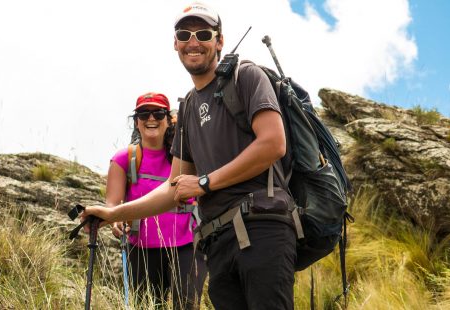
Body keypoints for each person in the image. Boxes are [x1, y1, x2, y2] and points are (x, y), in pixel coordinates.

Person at [82, 2, 297, 309]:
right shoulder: (188, 108)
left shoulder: (246, 77)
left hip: (262, 226)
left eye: (203, 33)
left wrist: (205, 182)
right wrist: (114, 213)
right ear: (175, 44)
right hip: (217, 240)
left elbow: (274, 143)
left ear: (219, 41)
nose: (193, 41)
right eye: (184, 34)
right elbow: (175, 186)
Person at [106, 92, 206, 309]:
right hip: (141, 247)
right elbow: (112, 204)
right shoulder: (124, 159)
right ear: (136, 121)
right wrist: (116, 221)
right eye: (144, 114)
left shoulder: (187, 156)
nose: (151, 119)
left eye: (158, 113)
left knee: (187, 305)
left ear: (168, 120)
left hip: (187, 246)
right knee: (147, 306)